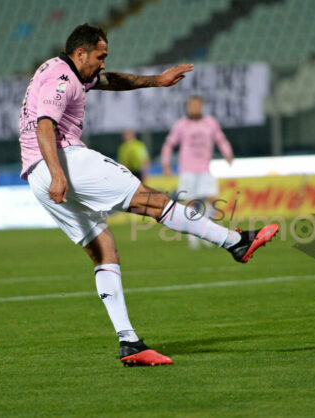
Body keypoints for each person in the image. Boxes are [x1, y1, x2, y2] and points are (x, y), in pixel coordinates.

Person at [18, 24, 278, 367]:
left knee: (104, 249)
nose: (103, 64)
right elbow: (45, 125)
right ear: (81, 53)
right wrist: (58, 173)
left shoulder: (67, 71)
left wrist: (157, 80)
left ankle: (129, 343)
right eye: (100, 56)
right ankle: (235, 242)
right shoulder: (63, 79)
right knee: (152, 201)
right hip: (63, 160)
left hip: (35, 174)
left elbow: (112, 81)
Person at [161, 96, 234, 249]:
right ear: (188, 107)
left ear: (201, 106)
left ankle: (207, 233)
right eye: (192, 105)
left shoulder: (210, 122)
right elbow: (169, 143)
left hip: (205, 169)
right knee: (190, 203)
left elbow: (220, 139)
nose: (194, 108)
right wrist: (166, 163)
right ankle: (193, 236)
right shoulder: (182, 124)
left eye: (197, 105)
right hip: (187, 170)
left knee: (212, 200)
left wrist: (227, 153)